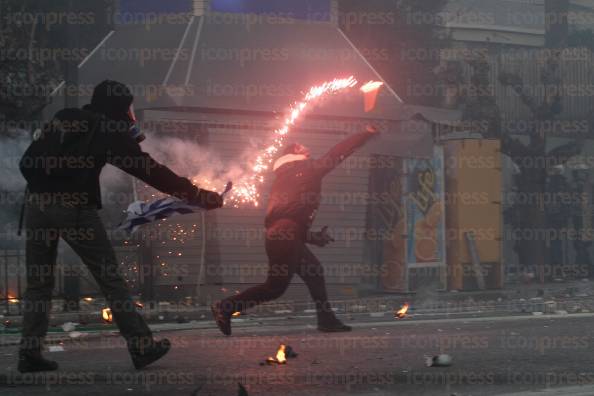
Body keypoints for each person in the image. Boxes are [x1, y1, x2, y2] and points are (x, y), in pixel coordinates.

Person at [17, 80, 223, 373]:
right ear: (118, 107)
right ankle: (141, 345)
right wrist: (198, 195)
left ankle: (29, 353)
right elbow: (151, 171)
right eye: (127, 107)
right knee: (110, 278)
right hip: (73, 207)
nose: (130, 114)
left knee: (39, 283)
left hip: (37, 205)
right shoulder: (108, 130)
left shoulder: (65, 117)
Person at [211, 125, 379, 335]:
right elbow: (337, 153)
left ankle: (326, 320)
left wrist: (314, 237)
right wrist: (365, 134)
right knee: (275, 288)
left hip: (283, 236)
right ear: (293, 156)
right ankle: (225, 307)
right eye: (301, 147)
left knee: (314, 272)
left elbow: (288, 218)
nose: (306, 148)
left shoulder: (285, 177)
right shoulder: (306, 170)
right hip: (285, 237)